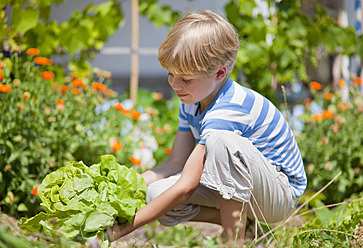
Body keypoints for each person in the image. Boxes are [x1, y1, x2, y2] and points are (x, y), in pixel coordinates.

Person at [106, 10, 307, 243]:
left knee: (221, 143)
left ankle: (233, 241)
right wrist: (120, 187)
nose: (175, 85)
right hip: (243, 189)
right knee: (156, 194)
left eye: (186, 79)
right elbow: (175, 163)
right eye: (171, 74)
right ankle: (247, 226)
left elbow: (186, 188)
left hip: (277, 194)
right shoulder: (192, 100)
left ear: (220, 72)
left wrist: (119, 231)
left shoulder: (230, 108)